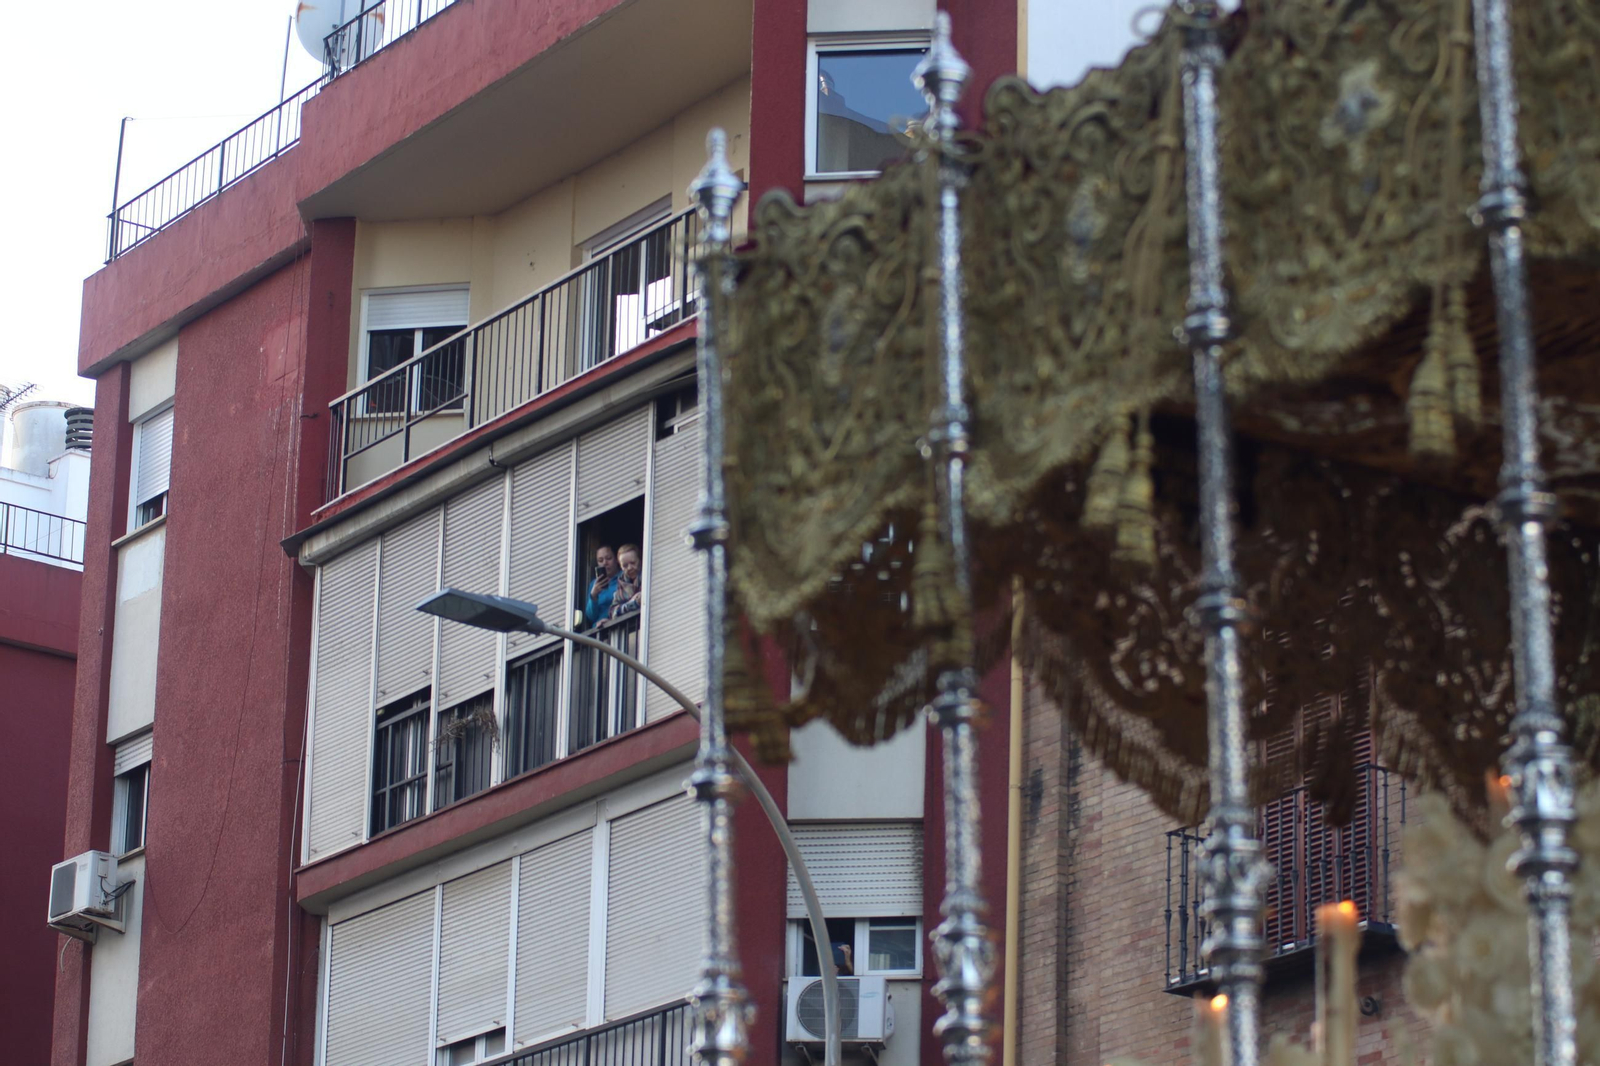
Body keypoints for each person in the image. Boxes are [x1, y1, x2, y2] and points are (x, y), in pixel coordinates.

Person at [583, 545, 621, 627]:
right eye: (600, 560)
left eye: (608, 558)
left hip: (619, 625)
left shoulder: (624, 577)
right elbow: (591, 617)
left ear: (617, 559)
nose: (605, 563)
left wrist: (611, 620)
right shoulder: (594, 584)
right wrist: (593, 595)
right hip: (599, 631)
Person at [607, 543, 643, 622]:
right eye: (625, 565)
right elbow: (612, 612)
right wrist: (632, 603)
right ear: (621, 567)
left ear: (640, 560)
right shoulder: (620, 584)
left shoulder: (647, 578)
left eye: (633, 563)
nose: (629, 568)